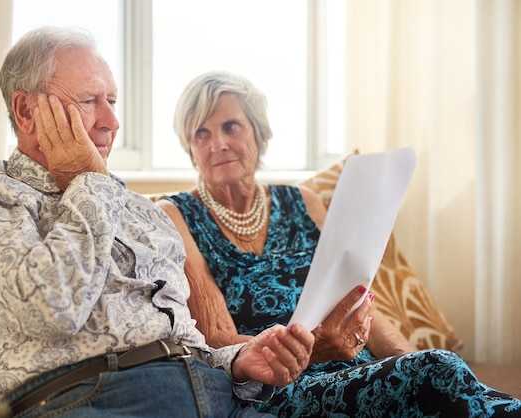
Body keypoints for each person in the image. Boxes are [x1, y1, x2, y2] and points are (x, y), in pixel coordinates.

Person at [0, 27, 315, 418]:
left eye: (112, 101)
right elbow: (53, 308)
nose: (112, 121)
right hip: (94, 402)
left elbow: (183, 338)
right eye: (89, 100)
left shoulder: (142, 211)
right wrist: (90, 182)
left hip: (212, 395)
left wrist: (237, 360)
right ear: (26, 111)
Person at [156, 70, 521, 417]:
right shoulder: (176, 215)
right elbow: (217, 339)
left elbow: (358, 301)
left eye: (230, 126)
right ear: (190, 148)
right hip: (279, 386)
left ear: (259, 133)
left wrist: (407, 359)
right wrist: (311, 350)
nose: (217, 143)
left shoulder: (304, 202)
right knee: (438, 371)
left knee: (439, 369)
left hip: (357, 368)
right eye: (200, 134)